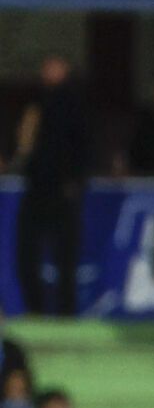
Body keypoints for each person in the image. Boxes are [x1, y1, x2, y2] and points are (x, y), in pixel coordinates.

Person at [11, 56, 90, 315]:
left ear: (66, 69)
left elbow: (85, 146)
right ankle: (35, 310)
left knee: (65, 260)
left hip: (63, 192)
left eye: (55, 66)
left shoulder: (76, 104)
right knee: (26, 255)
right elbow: (24, 145)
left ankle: (66, 315)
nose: (49, 71)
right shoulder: (35, 104)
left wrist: (75, 182)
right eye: (45, 66)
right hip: (36, 190)